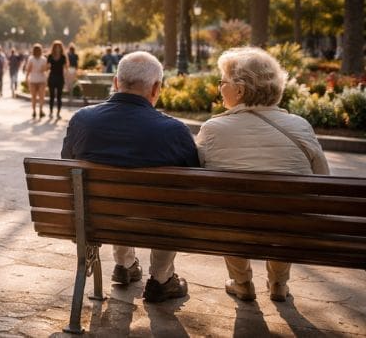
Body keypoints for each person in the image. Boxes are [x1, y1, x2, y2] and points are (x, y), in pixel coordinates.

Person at [61, 51, 198, 303]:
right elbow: (193, 188)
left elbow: (66, 165)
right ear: (156, 88)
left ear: (115, 82)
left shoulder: (82, 121)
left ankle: (124, 265)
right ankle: (161, 279)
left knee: (111, 199)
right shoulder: (174, 131)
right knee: (172, 204)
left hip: (97, 221)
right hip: (154, 223)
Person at [196, 47, 330, 303]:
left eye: (222, 82)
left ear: (240, 90)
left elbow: (201, 182)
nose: (219, 88)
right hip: (290, 228)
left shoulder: (213, 129)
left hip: (234, 227)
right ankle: (278, 283)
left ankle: (242, 282)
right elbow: (323, 177)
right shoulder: (300, 125)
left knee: (228, 212)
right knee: (285, 210)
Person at [25, 44, 48, 119]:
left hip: (35, 79)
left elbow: (28, 69)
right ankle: (39, 111)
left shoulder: (33, 59)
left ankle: (35, 111)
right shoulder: (42, 59)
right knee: (40, 96)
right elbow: (45, 69)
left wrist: (26, 77)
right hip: (39, 79)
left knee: (34, 97)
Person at [47, 40, 68, 119]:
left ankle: (58, 113)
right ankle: (51, 112)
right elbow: (47, 67)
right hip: (52, 77)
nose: (57, 49)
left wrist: (67, 79)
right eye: (56, 47)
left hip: (60, 78)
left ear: (61, 48)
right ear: (53, 48)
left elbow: (66, 68)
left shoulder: (63, 57)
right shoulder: (50, 56)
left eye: (59, 47)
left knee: (59, 96)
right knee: (51, 96)